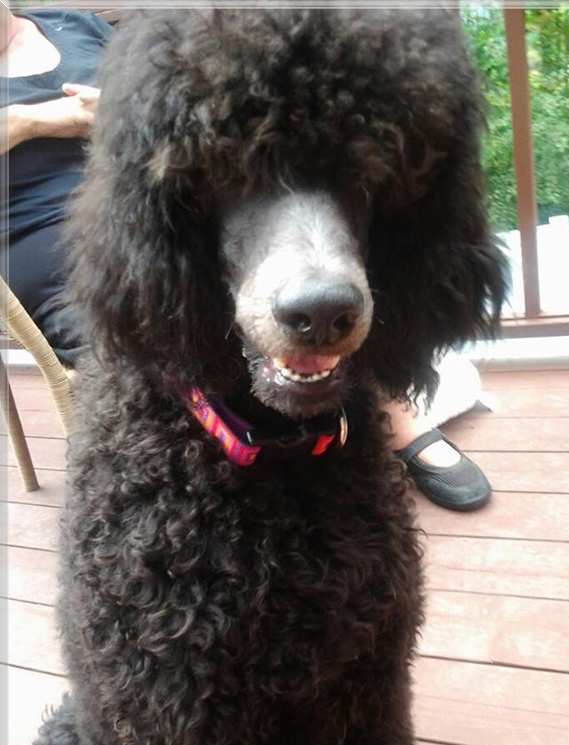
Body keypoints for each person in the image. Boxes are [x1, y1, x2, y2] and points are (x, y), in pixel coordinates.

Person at [0, 6, 490, 511]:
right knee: (153, 319)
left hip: (171, 184)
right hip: (74, 231)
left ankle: (372, 395)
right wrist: (37, 119)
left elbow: (164, 101)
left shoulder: (70, 23)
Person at [0, 6, 112, 367]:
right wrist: (30, 121)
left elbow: (168, 91)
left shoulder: (73, 23)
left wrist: (120, 112)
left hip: (156, 209)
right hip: (53, 245)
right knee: (132, 351)